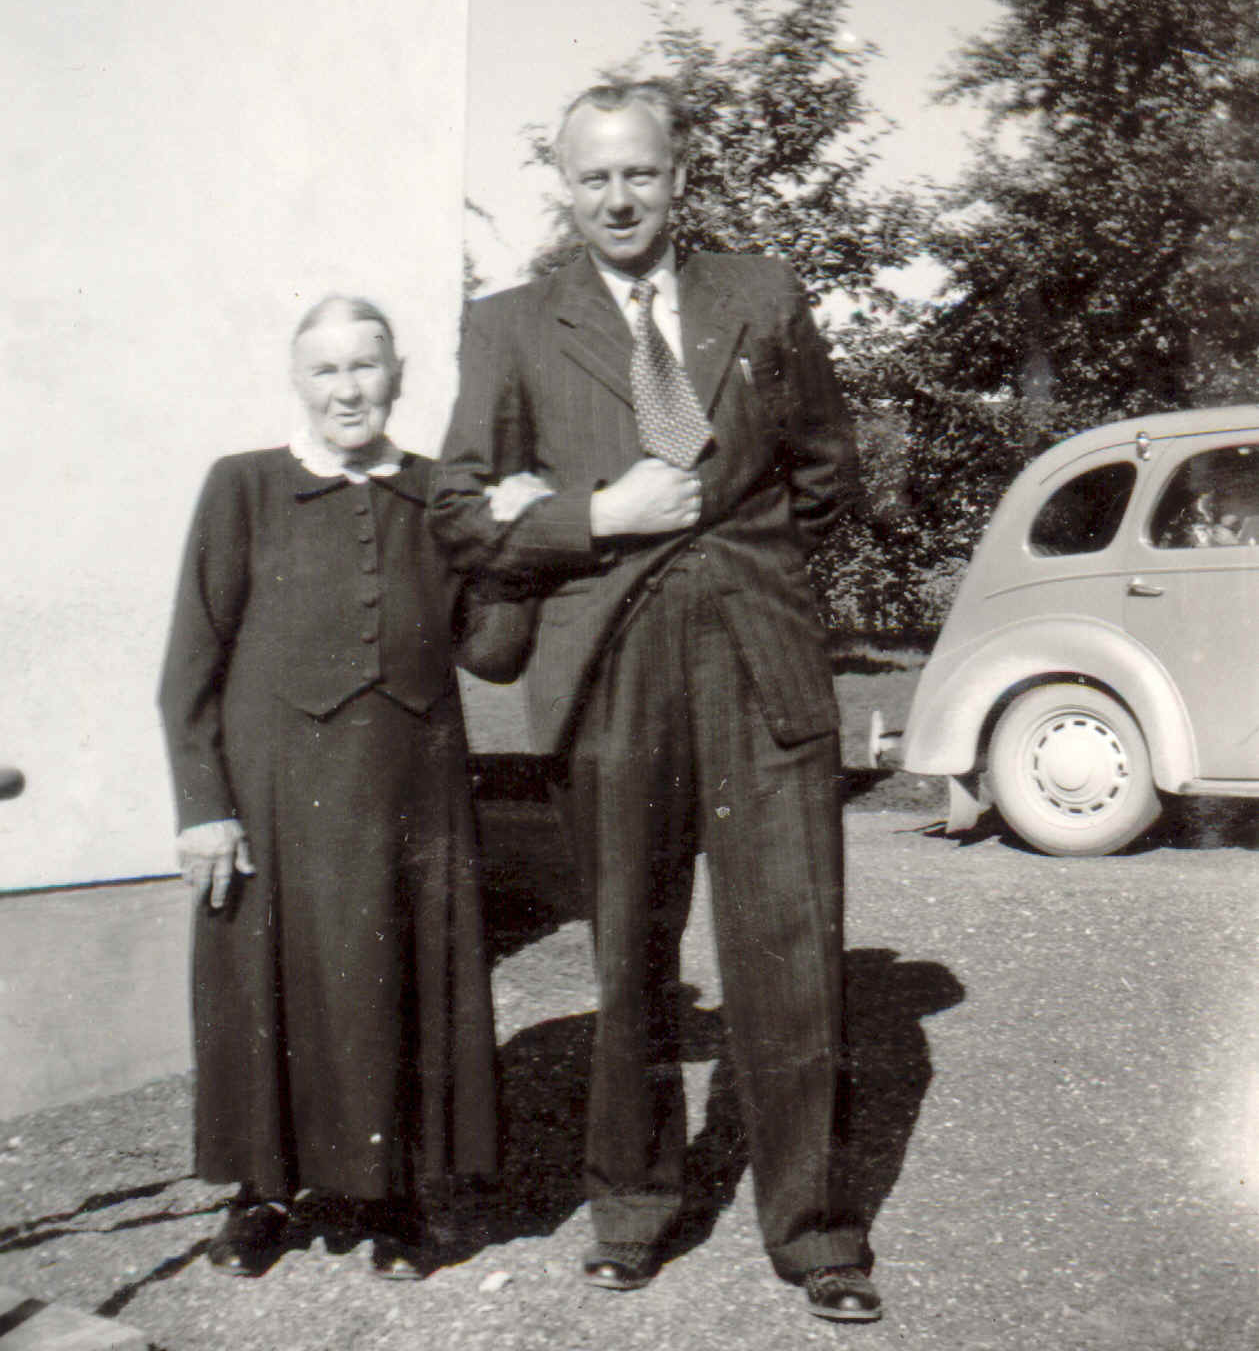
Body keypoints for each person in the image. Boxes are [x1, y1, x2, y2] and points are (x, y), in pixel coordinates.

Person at [432, 81, 879, 1323]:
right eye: (593, 179)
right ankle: (631, 1206)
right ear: (565, 191)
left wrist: (756, 575)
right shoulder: (513, 326)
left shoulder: (760, 295)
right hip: (611, 669)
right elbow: (459, 514)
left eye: (639, 174)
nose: (618, 199)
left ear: (679, 177)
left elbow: (825, 472)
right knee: (628, 948)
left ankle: (816, 1231)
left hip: (758, 663)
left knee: (790, 950)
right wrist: (596, 518)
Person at [159, 295, 505, 1280]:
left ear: (396, 376)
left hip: (414, 793)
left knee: (399, 986)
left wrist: (522, 549)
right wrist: (203, 806)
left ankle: (395, 1194)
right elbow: (190, 662)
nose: (347, 388)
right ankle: (263, 1193)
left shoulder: (441, 495)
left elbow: (489, 645)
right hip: (274, 791)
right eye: (327, 370)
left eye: (365, 367)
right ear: (297, 381)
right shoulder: (244, 488)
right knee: (272, 988)